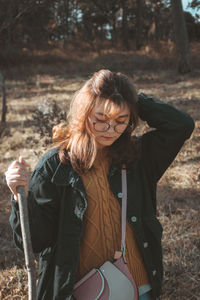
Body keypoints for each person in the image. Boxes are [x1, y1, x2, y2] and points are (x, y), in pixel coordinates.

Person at [5, 69, 194, 300]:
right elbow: (35, 240)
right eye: (101, 119)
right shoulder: (55, 166)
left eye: (121, 121)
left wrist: (131, 98)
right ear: (84, 114)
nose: (110, 130)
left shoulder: (138, 158)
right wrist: (18, 197)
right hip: (77, 292)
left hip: (137, 287)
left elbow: (181, 125)